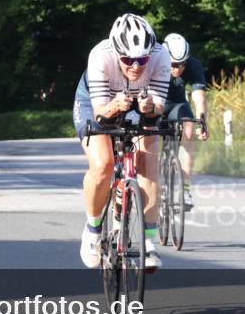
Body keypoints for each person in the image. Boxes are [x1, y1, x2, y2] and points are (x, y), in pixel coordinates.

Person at [73, 14, 171, 270]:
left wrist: (150, 107)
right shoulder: (100, 55)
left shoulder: (161, 55)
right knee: (103, 165)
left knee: (148, 164)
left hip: (138, 102)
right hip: (96, 102)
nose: (136, 66)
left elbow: (158, 107)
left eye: (142, 59)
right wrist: (114, 106)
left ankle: (149, 243)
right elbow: (99, 113)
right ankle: (92, 230)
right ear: (116, 52)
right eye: (128, 60)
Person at [161, 34, 208, 209]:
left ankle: (186, 189)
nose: (179, 69)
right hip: (155, 104)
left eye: (182, 64)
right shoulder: (154, 61)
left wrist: (202, 122)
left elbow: (199, 97)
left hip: (177, 105)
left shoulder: (194, 65)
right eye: (174, 64)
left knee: (188, 130)